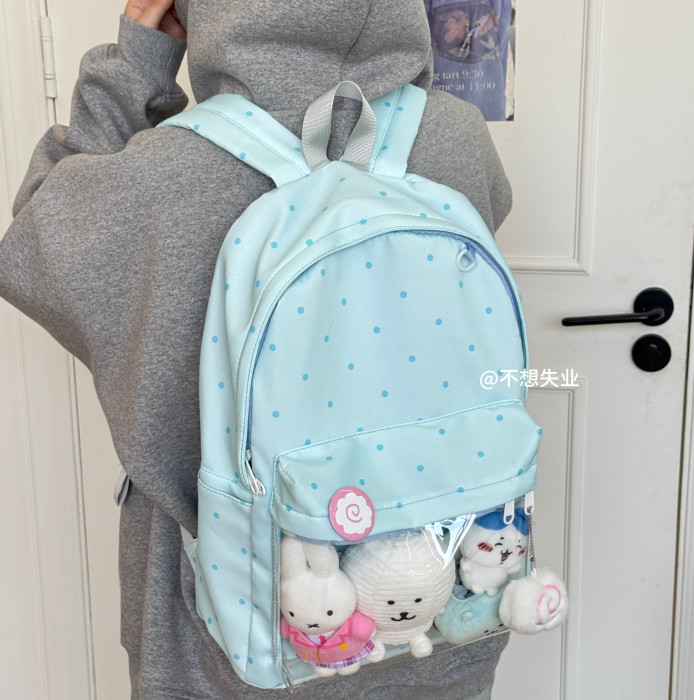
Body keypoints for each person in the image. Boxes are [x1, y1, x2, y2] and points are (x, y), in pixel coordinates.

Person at [0, 1, 512, 698]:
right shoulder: (458, 137)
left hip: (228, 639)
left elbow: (32, 247)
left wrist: (135, 63)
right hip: (445, 609)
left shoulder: (163, 174)